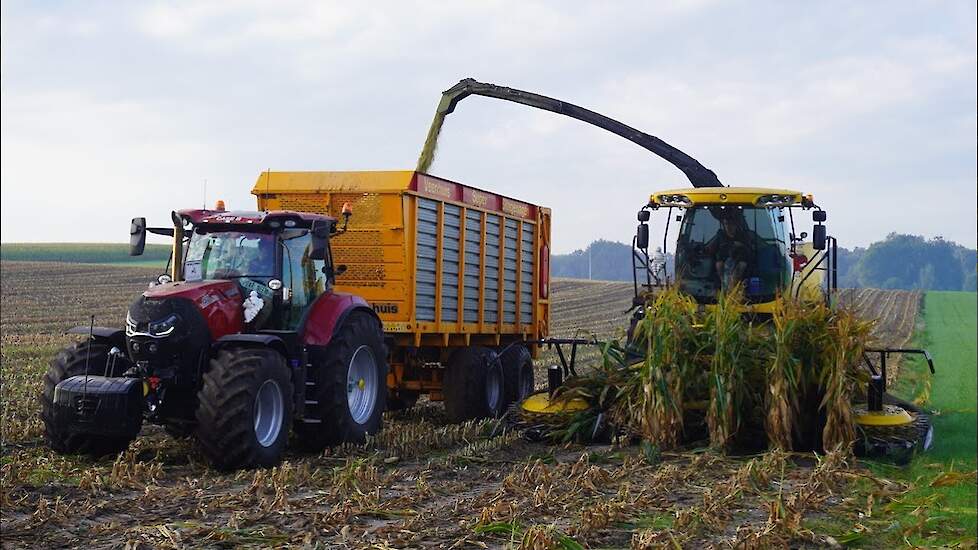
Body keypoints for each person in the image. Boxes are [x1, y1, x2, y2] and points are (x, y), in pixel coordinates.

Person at [705, 213, 756, 290]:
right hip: (723, 263)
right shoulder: (720, 235)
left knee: (741, 265)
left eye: (731, 224)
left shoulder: (743, 236)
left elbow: (750, 250)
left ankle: (734, 288)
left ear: (736, 225)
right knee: (719, 264)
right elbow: (710, 248)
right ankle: (723, 285)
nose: (729, 226)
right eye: (726, 224)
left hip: (740, 261)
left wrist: (740, 246)